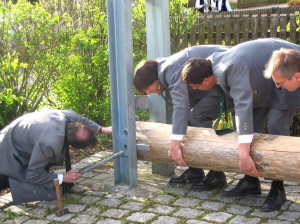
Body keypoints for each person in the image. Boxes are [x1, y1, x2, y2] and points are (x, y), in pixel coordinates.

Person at [180, 38, 300, 212]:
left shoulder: (230, 68)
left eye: (196, 86)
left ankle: (277, 188)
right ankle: (251, 181)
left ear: (206, 79)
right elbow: (242, 111)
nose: (196, 90)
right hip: (263, 82)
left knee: (276, 131)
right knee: (253, 128)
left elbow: (242, 106)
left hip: (287, 71)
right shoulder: (213, 63)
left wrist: (243, 154)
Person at [134, 45, 231, 192]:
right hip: (209, 88)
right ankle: (195, 169)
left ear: (155, 78)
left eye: (148, 87)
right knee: (187, 121)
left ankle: (217, 174)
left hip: (226, 84)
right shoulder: (164, 69)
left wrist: (174, 144)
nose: (148, 92)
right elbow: (181, 113)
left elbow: (182, 107)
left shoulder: (170, 70)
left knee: (198, 116)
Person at [0, 109, 112, 203]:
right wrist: (62, 177)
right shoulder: (49, 143)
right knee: (51, 192)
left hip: (26, 138)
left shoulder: (70, 118)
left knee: (51, 181)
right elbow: (33, 174)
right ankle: (6, 180)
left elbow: (82, 119)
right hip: (9, 149)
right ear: (73, 145)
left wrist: (101, 129)